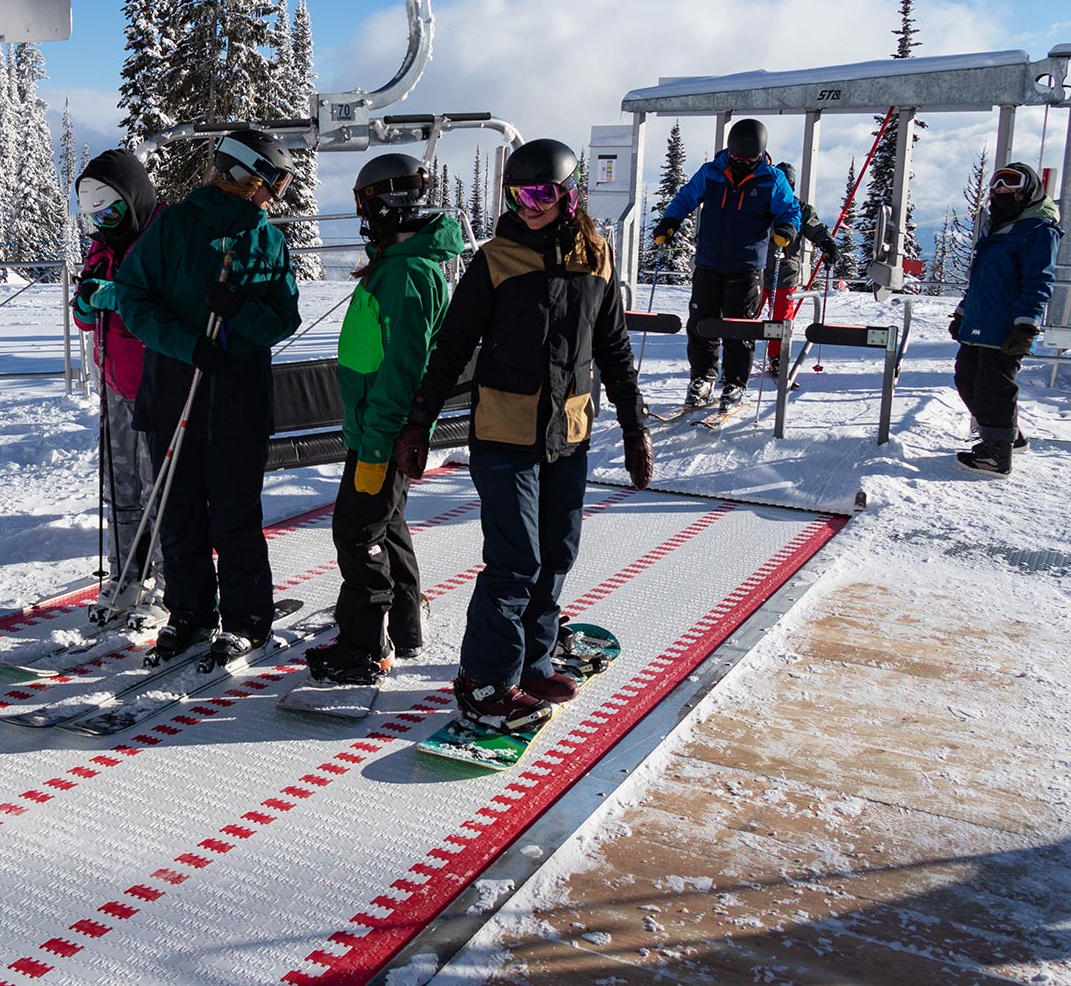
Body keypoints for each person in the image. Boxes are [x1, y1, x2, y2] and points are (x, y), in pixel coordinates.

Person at [391, 139, 653, 729]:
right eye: (517, 195)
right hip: (503, 435)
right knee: (515, 562)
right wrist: (419, 422)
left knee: (557, 553)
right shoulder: (496, 260)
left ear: (568, 195)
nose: (528, 206)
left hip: (569, 433)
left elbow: (613, 347)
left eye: (540, 194)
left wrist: (634, 426)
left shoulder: (596, 257)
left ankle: (532, 663)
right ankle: (484, 682)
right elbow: (452, 346)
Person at [113, 129, 302, 664]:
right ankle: (191, 613)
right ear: (244, 176)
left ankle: (246, 619)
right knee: (180, 517)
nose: (276, 196)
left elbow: (284, 317)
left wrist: (239, 312)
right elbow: (132, 297)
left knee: (235, 518)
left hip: (238, 402)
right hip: (175, 394)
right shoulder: (174, 226)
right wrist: (187, 344)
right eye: (274, 183)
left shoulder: (267, 240)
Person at [305, 154, 465, 686]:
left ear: (383, 207)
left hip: (384, 431)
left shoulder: (406, 273)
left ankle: (363, 646)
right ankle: (403, 626)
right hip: (376, 427)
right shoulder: (397, 265)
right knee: (386, 525)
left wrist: (377, 442)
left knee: (357, 533)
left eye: (365, 207)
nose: (362, 218)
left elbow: (402, 368)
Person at [70, 149, 168, 625]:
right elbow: (86, 312)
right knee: (121, 486)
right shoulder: (102, 246)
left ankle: (172, 582)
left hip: (158, 384)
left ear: (133, 200)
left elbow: (171, 306)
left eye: (111, 213)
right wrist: (85, 307)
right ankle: (127, 573)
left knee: (160, 490)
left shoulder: (163, 238)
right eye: (95, 216)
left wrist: (122, 299)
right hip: (114, 384)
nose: (104, 223)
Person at [651, 119, 802, 410]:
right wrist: (670, 221)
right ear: (729, 150)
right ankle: (702, 378)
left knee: (739, 327)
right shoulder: (712, 172)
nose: (742, 163)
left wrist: (786, 229)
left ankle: (734, 382)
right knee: (701, 323)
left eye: (749, 159)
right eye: (737, 157)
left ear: (760, 154)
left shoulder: (772, 179)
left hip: (747, 265)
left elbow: (790, 209)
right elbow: (686, 197)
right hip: (709, 261)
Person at [949, 162, 1061, 477]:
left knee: (994, 385)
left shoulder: (1039, 229)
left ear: (1028, 189)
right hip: (981, 318)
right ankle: (1008, 435)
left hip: (1006, 323)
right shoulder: (997, 226)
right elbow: (980, 279)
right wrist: (963, 312)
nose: (1001, 189)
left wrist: (1026, 325)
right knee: (966, 377)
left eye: (1011, 182)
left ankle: (996, 456)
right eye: (997, 182)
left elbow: (1039, 280)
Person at [760, 162, 840, 367]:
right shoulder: (760, 204)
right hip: (756, 270)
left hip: (784, 272)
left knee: (781, 319)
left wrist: (827, 244)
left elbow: (816, 229)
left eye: (788, 183)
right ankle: (740, 354)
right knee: (747, 315)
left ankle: (777, 356)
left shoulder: (800, 209)